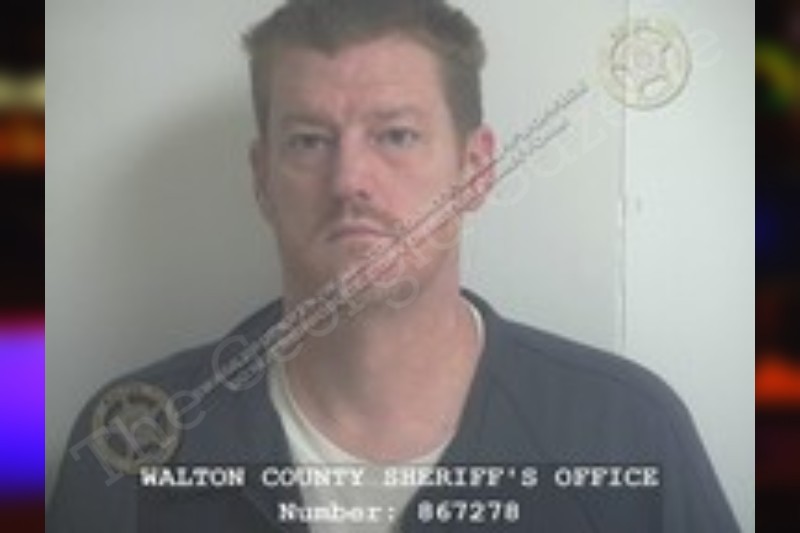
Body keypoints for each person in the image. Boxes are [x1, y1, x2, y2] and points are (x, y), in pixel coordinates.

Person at [47, 1, 740, 531]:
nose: (351, 179)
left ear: (476, 169)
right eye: (309, 140)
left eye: (397, 135)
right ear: (262, 177)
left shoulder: (626, 431)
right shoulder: (131, 444)